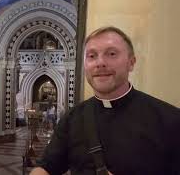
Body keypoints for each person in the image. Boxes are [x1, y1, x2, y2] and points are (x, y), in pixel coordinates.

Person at [30, 26, 180, 175]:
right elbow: (46, 167)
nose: (100, 62)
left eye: (112, 54)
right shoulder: (72, 118)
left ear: (131, 63)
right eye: (92, 56)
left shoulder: (170, 120)